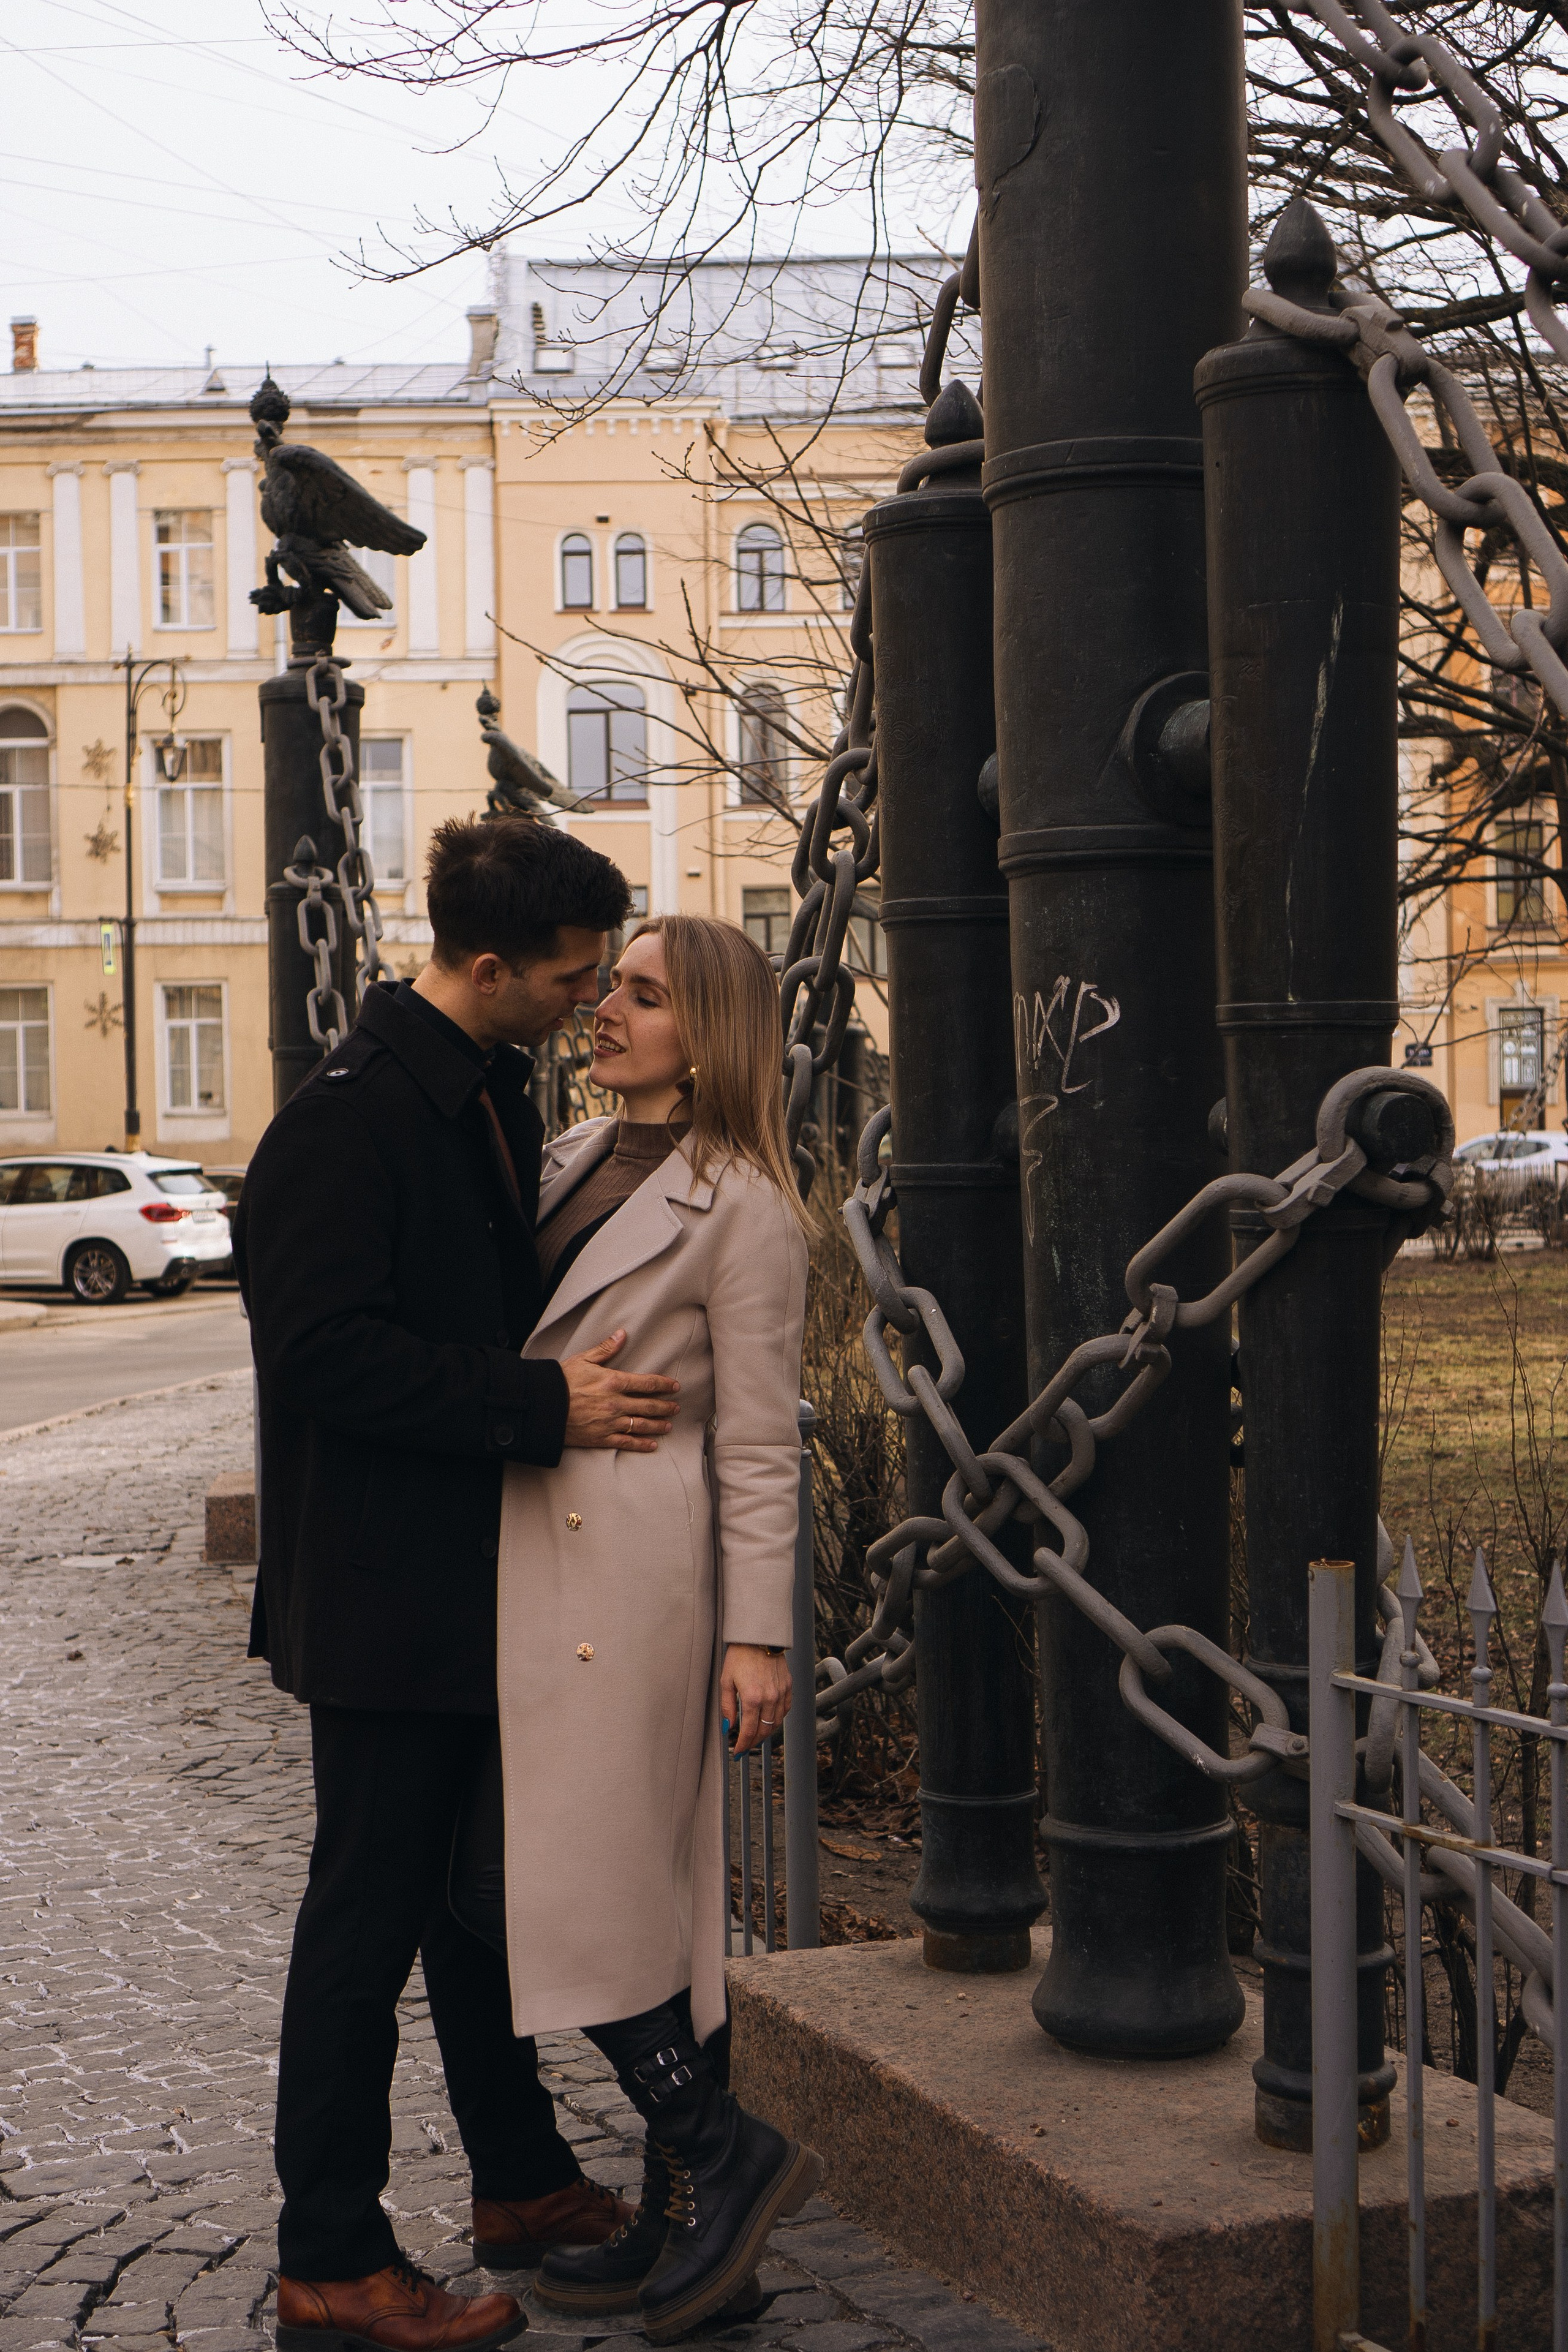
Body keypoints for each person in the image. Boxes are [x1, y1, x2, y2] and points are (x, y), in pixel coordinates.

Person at [236, 815, 685, 2352]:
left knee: (468, 1912)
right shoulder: (348, 1124)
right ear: (485, 967)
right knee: (364, 1919)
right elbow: (320, 1355)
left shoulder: (481, 1091)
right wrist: (537, 1406)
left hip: (466, 1580)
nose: (585, 1001)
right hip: (382, 1600)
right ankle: (332, 2256)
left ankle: (519, 2179)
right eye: (567, 978)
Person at [448, 914, 824, 2346]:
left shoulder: (743, 1210)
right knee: (599, 1894)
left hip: (634, 1578)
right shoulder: (562, 1157)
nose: (604, 1008)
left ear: (706, 1032)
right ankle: (696, 2210)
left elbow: (759, 1444)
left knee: (567, 1881)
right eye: (607, 986)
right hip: (534, 1550)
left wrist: (759, 1636)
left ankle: (721, 2165)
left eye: (643, 995)